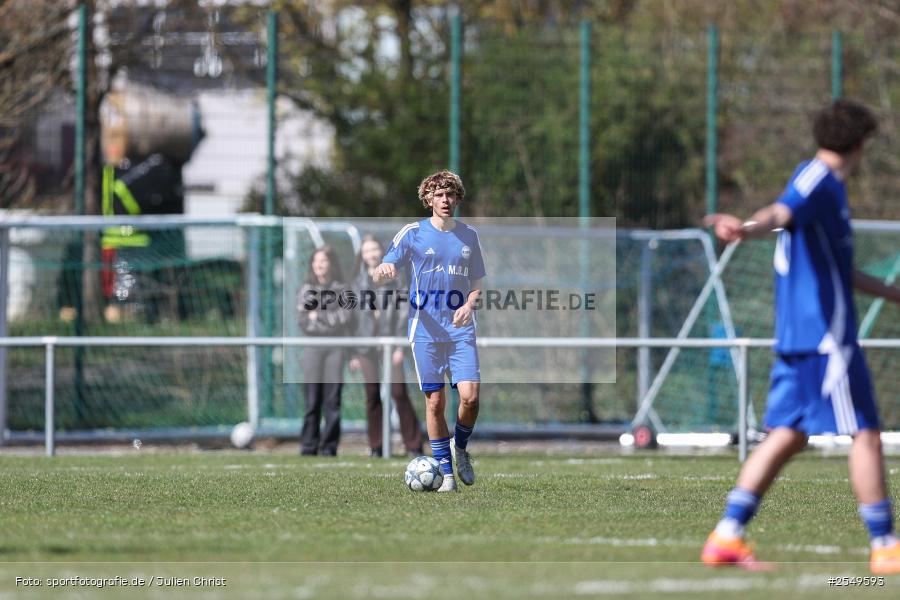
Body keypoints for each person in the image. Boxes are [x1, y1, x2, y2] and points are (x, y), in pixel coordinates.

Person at [702, 100, 900, 573]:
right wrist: (746, 228)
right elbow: (779, 212)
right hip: (824, 338)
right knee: (866, 434)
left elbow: (842, 270)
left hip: (801, 339)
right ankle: (886, 546)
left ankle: (727, 536)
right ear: (859, 144)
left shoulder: (827, 188)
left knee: (788, 435)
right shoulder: (818, 180)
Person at [373, 170, 486, 492]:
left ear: (457, 198)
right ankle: (446, 474)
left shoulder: (469, 236)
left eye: (450, 194)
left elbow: (477, 283)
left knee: (471, 397)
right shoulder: (412, 233)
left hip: (460, 329)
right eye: (439, 195)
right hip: (424, 329)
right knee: (435, 402)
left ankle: (460, 447)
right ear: (428, 199)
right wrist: (385, 270)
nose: (445, 200)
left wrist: (470, 304)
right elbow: (383, 271)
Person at [350, 234, 424, 457]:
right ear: (362, 256)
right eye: (366, 251)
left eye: (374, 249)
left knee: (398, 392)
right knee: (372, 395)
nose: (371, 254)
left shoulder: (397, 279)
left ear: (382, 252)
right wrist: (354, 352)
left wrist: (400, 345)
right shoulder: (356, 284)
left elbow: (404, 313)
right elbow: (353, 321)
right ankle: (376, 446)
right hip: (366, 346)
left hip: (391, 343)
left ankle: (413, 445)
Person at [297, 245, 354, 456]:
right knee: (312, 401)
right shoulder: (306, 288)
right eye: (316, 261)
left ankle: (329, 447)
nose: (319, 265)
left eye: (324, 260)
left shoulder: (343, 289)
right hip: (313, 348)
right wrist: (327, 319)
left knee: (332, 400)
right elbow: (303, 320)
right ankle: (308, 446)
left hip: (336, 349)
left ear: (331, 264)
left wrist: (318, 316)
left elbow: (344, 318)